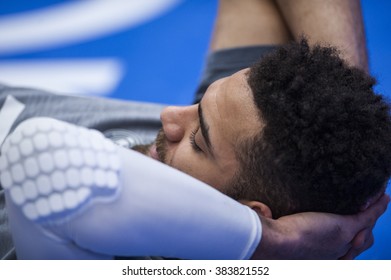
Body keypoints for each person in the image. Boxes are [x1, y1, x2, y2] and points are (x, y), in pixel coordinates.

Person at [0, 0, 389, 260]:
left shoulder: (115, 255)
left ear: (250, 215)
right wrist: (342, 91)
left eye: (198, 142)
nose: (170, 117)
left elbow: (37, 154)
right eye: (198, 107)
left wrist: (274, 241)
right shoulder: (237, 131)